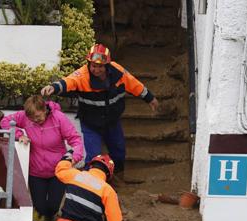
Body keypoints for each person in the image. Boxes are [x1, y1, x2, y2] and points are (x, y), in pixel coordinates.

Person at [41, 43, 159, 182]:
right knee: (93, 157)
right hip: (90, 123)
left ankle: (117, 179)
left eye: (100, 66)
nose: (97, 70)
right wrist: (53, 88)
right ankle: (92, 186)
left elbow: (134, 84)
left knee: (119, 153)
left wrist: (149, 98)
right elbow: (68, 81)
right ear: (89, 64)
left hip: (112, 121)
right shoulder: (82, 75)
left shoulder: (118, 72)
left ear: (107, 65)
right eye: (94, 66)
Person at [0, 95, 84, 221]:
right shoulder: (25, 117)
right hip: (36, 172)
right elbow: (5, 122)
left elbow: (76, 140)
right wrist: (19, 135)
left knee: (53, 206)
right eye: (32, 118)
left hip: (58, 171)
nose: (35, 120)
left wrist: (73, 158)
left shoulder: (59, 118)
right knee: (40, 207)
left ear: (45, 110)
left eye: (38, 117)